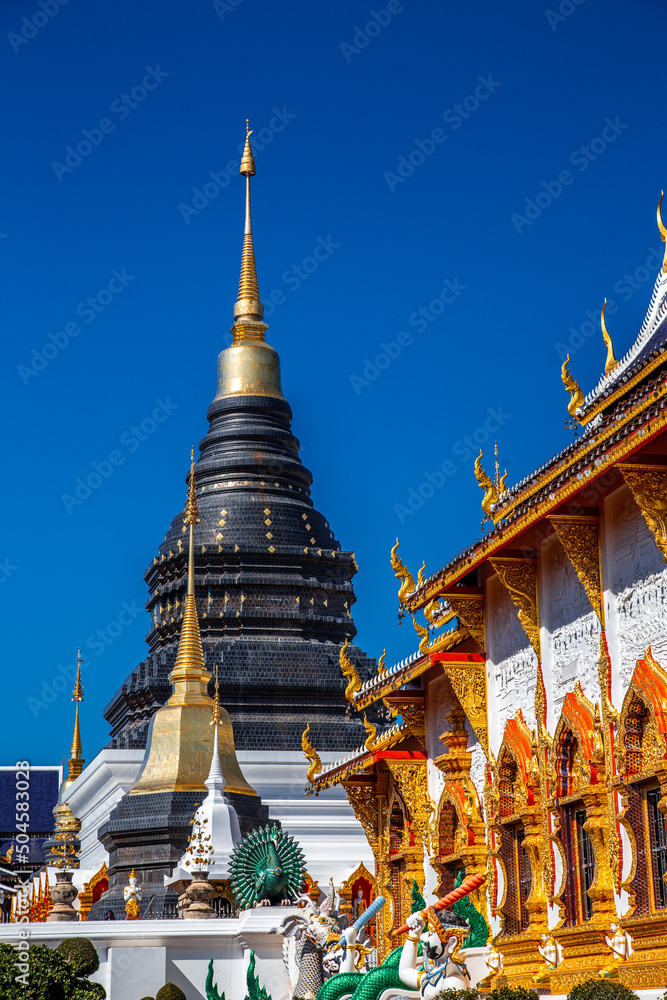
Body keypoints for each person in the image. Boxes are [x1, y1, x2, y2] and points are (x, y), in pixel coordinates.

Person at [399, 906, 470, 998]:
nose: (423, 937)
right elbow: (405, 973)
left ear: (452, 942)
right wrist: (414, 934)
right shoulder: (435, 974)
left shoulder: (453, 982)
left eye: (431, 933)